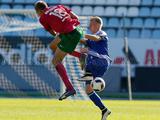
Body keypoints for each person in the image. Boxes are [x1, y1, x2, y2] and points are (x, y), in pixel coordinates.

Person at [34, 0, 83, 100]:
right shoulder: (59, 6)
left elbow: (52, 33)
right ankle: (80, 56)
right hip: (77, 29)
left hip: (69, 34)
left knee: (55, 61)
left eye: (37, 13)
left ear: (39, 11)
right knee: (52, 46)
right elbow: (76, 17)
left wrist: (60, 32)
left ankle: (69, 88)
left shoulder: (43, 18)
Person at [79, 16, 112, 120]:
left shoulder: (101, 33)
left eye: (91, 24)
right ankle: (104, 110)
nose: (89, 26)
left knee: (85, 55)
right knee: (88, 89)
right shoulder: (91, 39)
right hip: (96, 64)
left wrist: (82, 35)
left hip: (100, 61)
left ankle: (72, 86)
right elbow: (84, 41)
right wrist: (73, 36)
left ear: (98, 25)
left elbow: (96, 38)